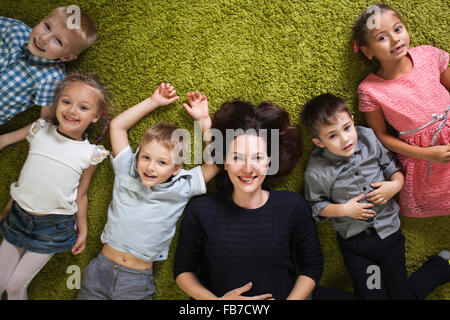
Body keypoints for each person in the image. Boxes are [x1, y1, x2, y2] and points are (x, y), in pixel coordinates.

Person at [301, 93, 450, 300]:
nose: (345, 139)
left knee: (400, 296)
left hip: (389, 235)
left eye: (346, 128)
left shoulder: (368, 139)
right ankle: (441, 267)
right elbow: (316, 206)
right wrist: (344, 210)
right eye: (332, 136)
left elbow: (393, 168)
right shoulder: (318, 169)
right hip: (357, 245)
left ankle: (440, 267)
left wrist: (395, 185)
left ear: (353, 121)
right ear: (319, 142)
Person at [173, 99, 326, 300]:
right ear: (225, 163)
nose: (247, 168)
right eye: (237, 158)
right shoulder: (201, 211)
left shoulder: (293, 206)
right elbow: (183, 271)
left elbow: (312, 265)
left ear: (269, 162)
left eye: (257, 157)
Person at [76, 85, 218, 300]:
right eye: (146, 157)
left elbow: (215, 163)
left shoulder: (182, 185)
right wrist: (154, 101)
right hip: (100, 271)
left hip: (136, 280)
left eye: (162, 162)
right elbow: (117, 127)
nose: (151, 167)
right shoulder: (127, 169)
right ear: (137, 157)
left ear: (176, 169)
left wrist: (204, 121)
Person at [0, 72, 110, 300]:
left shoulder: (90, 154)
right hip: (18, 216)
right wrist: (9, 207)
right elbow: (24, 175)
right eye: (66, 102)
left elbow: (81, 195)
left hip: (53, 227)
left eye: (83, 107)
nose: (71, 111)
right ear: (57, 103)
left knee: (14, 287)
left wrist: (84, 229)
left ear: (96, 116)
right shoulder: (39, 130)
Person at [353, 3, 450, 217]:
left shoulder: (428, 55)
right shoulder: (370, 90)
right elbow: (381, 136)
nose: (396, 39)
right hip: (424, 155)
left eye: (398, 29)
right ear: (368, 52)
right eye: (382, 37)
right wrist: (426, 154)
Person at [0, 6, 97, 149]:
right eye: (47, 26)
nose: (44, 38)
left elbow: (46, 121)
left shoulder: (51, 79)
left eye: (58, 41)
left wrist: (4, 140)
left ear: (67, 57)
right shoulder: (16, 30)